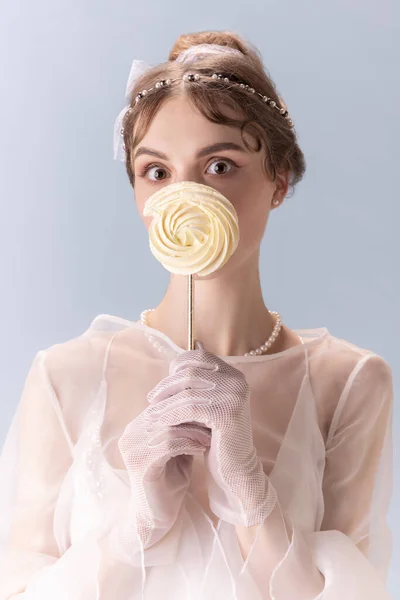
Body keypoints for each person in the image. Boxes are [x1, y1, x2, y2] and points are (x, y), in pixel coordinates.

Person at [0, 30, 394, 600]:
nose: (183, 196)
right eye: (156, 172)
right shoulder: (65, 376)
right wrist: (136, 527)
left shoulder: (349, 383)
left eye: (220, 166)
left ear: (279, 180)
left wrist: (250, 495)